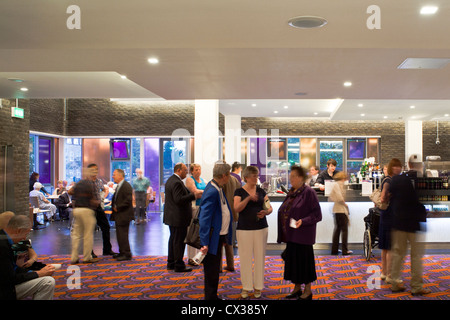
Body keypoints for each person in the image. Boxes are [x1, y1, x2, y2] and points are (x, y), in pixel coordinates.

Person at [277, 165, 322, 300]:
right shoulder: (292, 192)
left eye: (294, 176)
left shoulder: (309, 192)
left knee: (304, 264)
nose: (291, 179)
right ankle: (297, 288)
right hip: (292, 235)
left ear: (301, 178)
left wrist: (303, 221)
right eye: (290, 176)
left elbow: (317, 215)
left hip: (303, 236)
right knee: (294, 263)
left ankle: (307, 291)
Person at [389, 154, 430, 295]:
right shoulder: (422, 181)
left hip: (398, 222)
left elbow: (390, 197)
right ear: (420, 165)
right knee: (416, 256)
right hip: (414, 223)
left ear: (408, 164)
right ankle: (416, 287)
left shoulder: (397, 180)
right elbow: (422, 201)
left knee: (398, 254)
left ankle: (395, 283)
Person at [234, 165, 272, 299]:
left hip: (261, 228)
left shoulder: (261, 191)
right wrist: (248, 199)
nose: (256, 178)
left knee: (260, 257)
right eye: (254, 175)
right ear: (246, 178)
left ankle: (258, 287)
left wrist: (266, 212)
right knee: (245, 258)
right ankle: (246, 287)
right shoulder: (239, 192)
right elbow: (237, 208)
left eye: (257, 175)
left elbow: (269, 207)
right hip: (244, 229)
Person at [199, 161, 233, 300]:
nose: (229, 177)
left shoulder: (217, 187)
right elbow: (204, 218)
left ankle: (212, 295)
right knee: (211, 270)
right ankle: (210, 297)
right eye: (229, 174)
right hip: (212, 238)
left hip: (218, 237)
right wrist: (204, 242)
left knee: (213, 269)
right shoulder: (213, 190)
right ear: (224, 175)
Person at [0, 214, 56, 300]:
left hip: (9, 282)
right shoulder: (3, 246)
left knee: (45, 277)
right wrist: (38, 274)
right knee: (48, 282)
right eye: (25, 234)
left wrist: (34, 272)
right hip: (5, 289)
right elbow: (9, 279)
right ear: (19, 231)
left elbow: (13, 269)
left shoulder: (6, 240)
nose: (24, 238)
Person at [163, 163, 202, 272]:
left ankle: (171, 262)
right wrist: (194, 196)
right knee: (179, 241)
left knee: (173, 240)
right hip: (178, 217)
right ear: (179, 170)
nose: (187, 172)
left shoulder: (171, 180)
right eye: (185, 170)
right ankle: (179, 265)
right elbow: (179, 199)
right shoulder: (176, 182)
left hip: (172, 217)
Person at [68, 167, 100, 264]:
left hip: (76, 209)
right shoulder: (90, 184)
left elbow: (69, 192)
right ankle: (87, 257)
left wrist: (78, 196)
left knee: (76, 235)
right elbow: (93, 199)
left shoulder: (79, 183)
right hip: (86, 210)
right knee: (87, 235)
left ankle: (74, 257)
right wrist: (96, 202)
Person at [378, 158, 402, 282]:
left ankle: (384, 272)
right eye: (397, 166)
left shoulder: (386, 180)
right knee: (390, 247)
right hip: (389, 215)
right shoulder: (389, 181)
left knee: (385, 248)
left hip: (384, 215)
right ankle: (390, 276)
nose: (399, 169)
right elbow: (383, 198)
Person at [87, 163, 116, 257]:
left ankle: (107, 250)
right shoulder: (85, 182)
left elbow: (104, 189)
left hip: (98, 207)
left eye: (96, 169)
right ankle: (89, 252)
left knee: (106, 226)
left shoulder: (99, 181)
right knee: (89, 230)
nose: (95, 171)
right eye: (92, 170)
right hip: (89, 208)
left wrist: (101, 199)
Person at [111, 168, 135, 261]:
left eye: (114, 174)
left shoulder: (126, 186)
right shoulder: (119, 185)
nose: (113, 176)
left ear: (120, 175)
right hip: (120, 215)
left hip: (124, 214)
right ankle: (122, 252)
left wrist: (118, 207)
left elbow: (128, 200)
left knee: (123, 235)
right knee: (120, 235)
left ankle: (126, 254)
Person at [185, 163, 206, 265]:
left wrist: (202, 192)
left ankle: (199, 256)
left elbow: (204, 192)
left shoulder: (203, 180)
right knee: (192, 231)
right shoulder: (190, 180)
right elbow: (195, 192)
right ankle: (191, 257)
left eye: (199, 169)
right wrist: (204, 192)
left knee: (201, 232)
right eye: (196, 170)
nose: (198, 171)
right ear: (192, 171)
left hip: (203, 208)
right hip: (194, 208)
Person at [221, 171, 241, 272]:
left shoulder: (222, 181)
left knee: (219, 240)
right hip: (233, 212)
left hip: (223, 213)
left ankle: (218, 266)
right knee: (229, 240)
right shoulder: (235, 180)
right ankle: (230, 264)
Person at [329, 171, 352, 255]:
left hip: (336, 210)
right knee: (344, 231)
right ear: (343, 178)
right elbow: (339, 197)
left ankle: (334, 250)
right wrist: (344, 203)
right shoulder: (338, 184)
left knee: (337, 230)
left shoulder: (335, 184)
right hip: (341, 210)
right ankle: (345, 250)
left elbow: (332, 196)